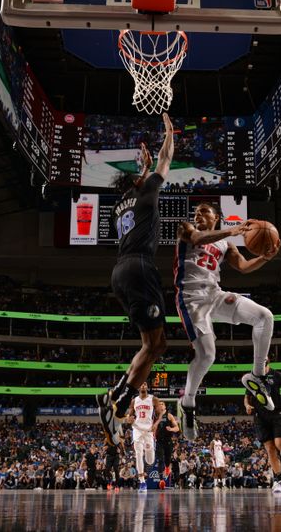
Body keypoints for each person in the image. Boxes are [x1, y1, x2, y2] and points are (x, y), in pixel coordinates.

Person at [97, 112, 174, 446]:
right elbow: (165, 161)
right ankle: (116, 395)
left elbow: (137, 184)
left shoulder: (121, 206)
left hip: (121, 271)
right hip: (141, 268)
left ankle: (120, 399)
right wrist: (170, 134)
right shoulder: (146, 192)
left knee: (156, 344)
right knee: (152, 345)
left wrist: (139, 173)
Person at [175, 202, 280, 440]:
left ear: (216, 217)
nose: (197, 215)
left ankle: (256, 376)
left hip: (215, 295)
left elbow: (243, 266)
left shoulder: (225, 244)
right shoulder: (186, 229)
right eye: (196, 212)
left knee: (264, 317)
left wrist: (265, 257)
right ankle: (188, 402)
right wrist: (232, 230)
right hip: (191, 299)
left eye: (204, 211)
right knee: (207, 355)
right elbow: (198, 238)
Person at [244, 360, 281, 493]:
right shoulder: (253, 377)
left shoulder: (277, 375)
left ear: (267, 363)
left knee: (280, 443)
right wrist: (247, 406)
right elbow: (246, 396)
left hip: (277, 413)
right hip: (260, 417)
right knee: (270, 449)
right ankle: (278, 480)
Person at [126, 382, 163, 491]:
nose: (142, 385)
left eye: (145, 384)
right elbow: (130, 414)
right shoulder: (134, 401)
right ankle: (142, 482)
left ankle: (149, 456)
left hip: (148, 430)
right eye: (141, 384)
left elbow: (160, 413)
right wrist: (129, 418)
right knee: (138, 454)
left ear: (147, 387)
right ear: (138, 387)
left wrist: (156, 424)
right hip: (137, 428)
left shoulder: (153, 399)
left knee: (150, 460)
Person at [153, 400, 179, 481]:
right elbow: (154, 427)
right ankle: (161, 480)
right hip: (159, 441)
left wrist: (171, 429)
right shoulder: (155, 416)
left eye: (162, 404)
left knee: (167, 459)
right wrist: (153, 434)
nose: (160, 405)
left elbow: (177, 428)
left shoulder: (169, 415)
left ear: (165, 407)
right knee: (160, 459)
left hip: (168, 441)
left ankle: (167, 467)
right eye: (159, 404)